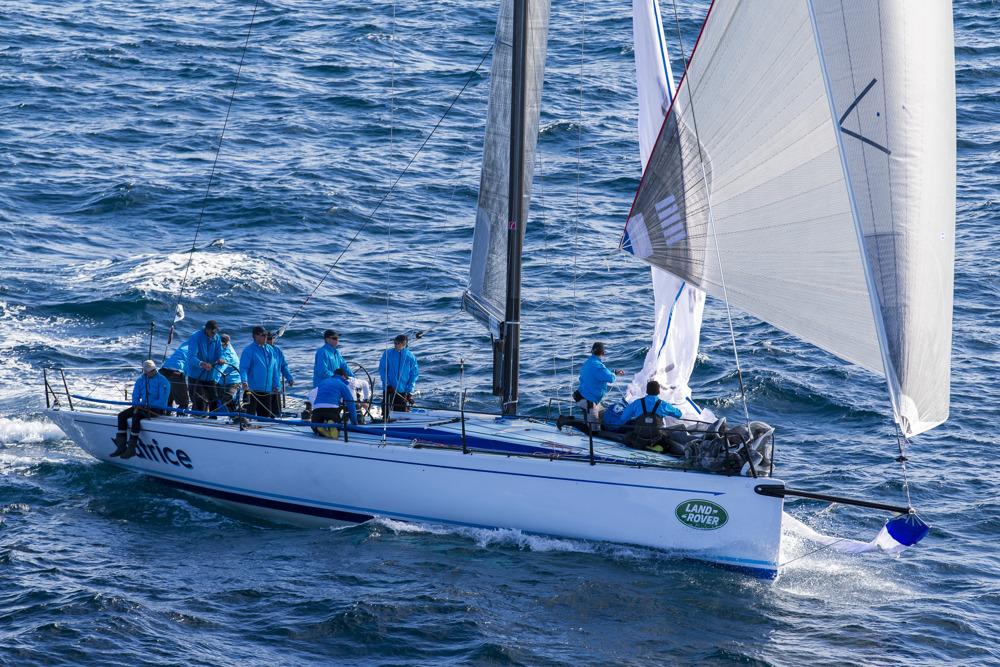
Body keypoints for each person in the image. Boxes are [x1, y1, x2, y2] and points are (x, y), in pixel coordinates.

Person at [111, 360, 171, 459]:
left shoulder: (163, 381)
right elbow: (135, 396)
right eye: (150, 370)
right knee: (121, 416)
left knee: (137, 417)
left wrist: (146, 406)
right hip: (141, 406)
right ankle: (121, 447)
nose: (153, 372)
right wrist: (137, 406)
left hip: (156, 408)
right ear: (145, 371)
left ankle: (132, 448)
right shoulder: (141, 379)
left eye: (153, 370)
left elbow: (162, 400)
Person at [575, 342, 625, 431]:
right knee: (591, 430)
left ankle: (604, 436)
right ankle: (566, 420)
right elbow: (611, 378)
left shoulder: (589, 362)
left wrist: (614, 371)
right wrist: (614, 374)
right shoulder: (597, 365)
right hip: (587, 400)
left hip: (592, 399)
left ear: (591, 351)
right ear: (603, 353)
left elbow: (601, 372)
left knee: (605, 419)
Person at [620, 380, 683, 451]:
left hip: (638, 438)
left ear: (646, 391)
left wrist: (633, 417)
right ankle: (657, 447)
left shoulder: (637, 402)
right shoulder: (663, 404)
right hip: (656, 440)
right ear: (659, 392)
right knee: (666, 437)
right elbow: (679, 414)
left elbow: (623, 418)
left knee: (628, 435)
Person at [240, 325, 280, 418]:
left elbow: (274, 368)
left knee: (265, 417)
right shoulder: (249, 350)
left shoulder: (270, 349)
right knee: (249, 416)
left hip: (266, 390)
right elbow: (243, 368)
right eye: (262, 335)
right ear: (255, 336)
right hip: (252, 389)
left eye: (266, 335)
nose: (265, 337)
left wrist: (276, 384)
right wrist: (244, 381)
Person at [186, 320, 224, 415]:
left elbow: (220, 353)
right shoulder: (195, 337)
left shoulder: (217, 338)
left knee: (214, 399)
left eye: (216, 332)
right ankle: (196, 421)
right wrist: (202, 364)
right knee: (199, 400)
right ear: (206, 330)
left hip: (210, 376)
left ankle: (213, 422)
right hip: (195, 376)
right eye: (213, 332)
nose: (215, 334)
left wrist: (221, 359)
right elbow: (191, 357)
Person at [311, 368, 358, 436]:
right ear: (343, 376)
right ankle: (333, 425)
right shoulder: (342, 384)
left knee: (316, 430)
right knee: (336, 430)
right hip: (331, 408)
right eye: (346, 378)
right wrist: (354, 421)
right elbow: (350, 403)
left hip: (317, 408)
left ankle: (319, 429)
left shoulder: (323, 382)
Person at [379, 333, 418, 414]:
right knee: (386, 414)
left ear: (404, 344)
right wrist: (387, 384)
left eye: (397, 343)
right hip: (389, 389)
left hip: (402, 391)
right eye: (394, 343)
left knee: (401, 415)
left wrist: (410, 393)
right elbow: (382, 369)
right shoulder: (387, 353)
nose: (395, 345)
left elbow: (414, 375)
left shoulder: (411, 358)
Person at [266, 331, 294, 417]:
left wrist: (289, 378)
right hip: (265, 387)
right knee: (266, 411)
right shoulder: (262, 351)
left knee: (277, 411)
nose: (271, 341)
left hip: (276, 385)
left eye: (272, 339)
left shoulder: (277, 350)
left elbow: (284, 366)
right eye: (269, 339)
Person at [160, 340, 190, 412]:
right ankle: (181, 420)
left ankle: (164, 415)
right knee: (184, 402)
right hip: (177, 370)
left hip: (164, 369)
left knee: (167, 397)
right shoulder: (198, 348)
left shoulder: (185, 344)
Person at [217, 333, 242, 415]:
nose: (221, 346)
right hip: (222, 381)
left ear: (227, 344)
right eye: (219, 344)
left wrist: (214, 380)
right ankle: (210, 417)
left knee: (227, 399)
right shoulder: (220, 349)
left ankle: (234, 416)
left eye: (223, 345)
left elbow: (221, 368)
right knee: (210, 396)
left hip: (233, 381)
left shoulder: (228, 354)